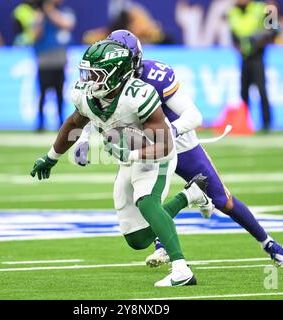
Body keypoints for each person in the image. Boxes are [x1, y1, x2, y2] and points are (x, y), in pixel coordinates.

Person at [74, 30, 283, 268]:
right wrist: (82, 137)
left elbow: (193, 115)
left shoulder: (156, 75)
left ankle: (269, 243)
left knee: (222, 199)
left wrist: (166, 136)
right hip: (141, 144)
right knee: (148, 203)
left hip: (176, 142)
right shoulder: (104, 79)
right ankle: (169, 237)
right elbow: (92, 111)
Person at [30, 39, 214, 287]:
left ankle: (182, 271)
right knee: (138, 239)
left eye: (95, 74)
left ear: (116, 74)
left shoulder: (138, 95)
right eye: (87, 73)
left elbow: (166, 144)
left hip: (154, 155)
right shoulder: (86, 95)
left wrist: (133, 154)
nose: (88, 80)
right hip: (128, 160)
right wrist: (51, 157)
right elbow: (74, 123)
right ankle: (190, 195)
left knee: (147, 202)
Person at [227, 0, 276, 132]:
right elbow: (232, 35)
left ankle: (267, 124)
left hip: (257, 54)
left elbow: (273, 28)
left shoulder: (262, 8)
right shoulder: (232, 12)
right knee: (243, 91)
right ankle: (244, 123)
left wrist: (260, 39)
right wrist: (239, 47)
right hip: (244, 56)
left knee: (262, 89)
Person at [32, 0, 75, 131]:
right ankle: (40, 123)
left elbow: (67, 24)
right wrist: (40, 17)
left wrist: (49, 10)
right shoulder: (38, 15)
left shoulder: (65, 12)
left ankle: (61, 122)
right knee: (42, 93)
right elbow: (34, 35)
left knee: (59, 94)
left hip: (59, 60)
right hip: (44, 61)